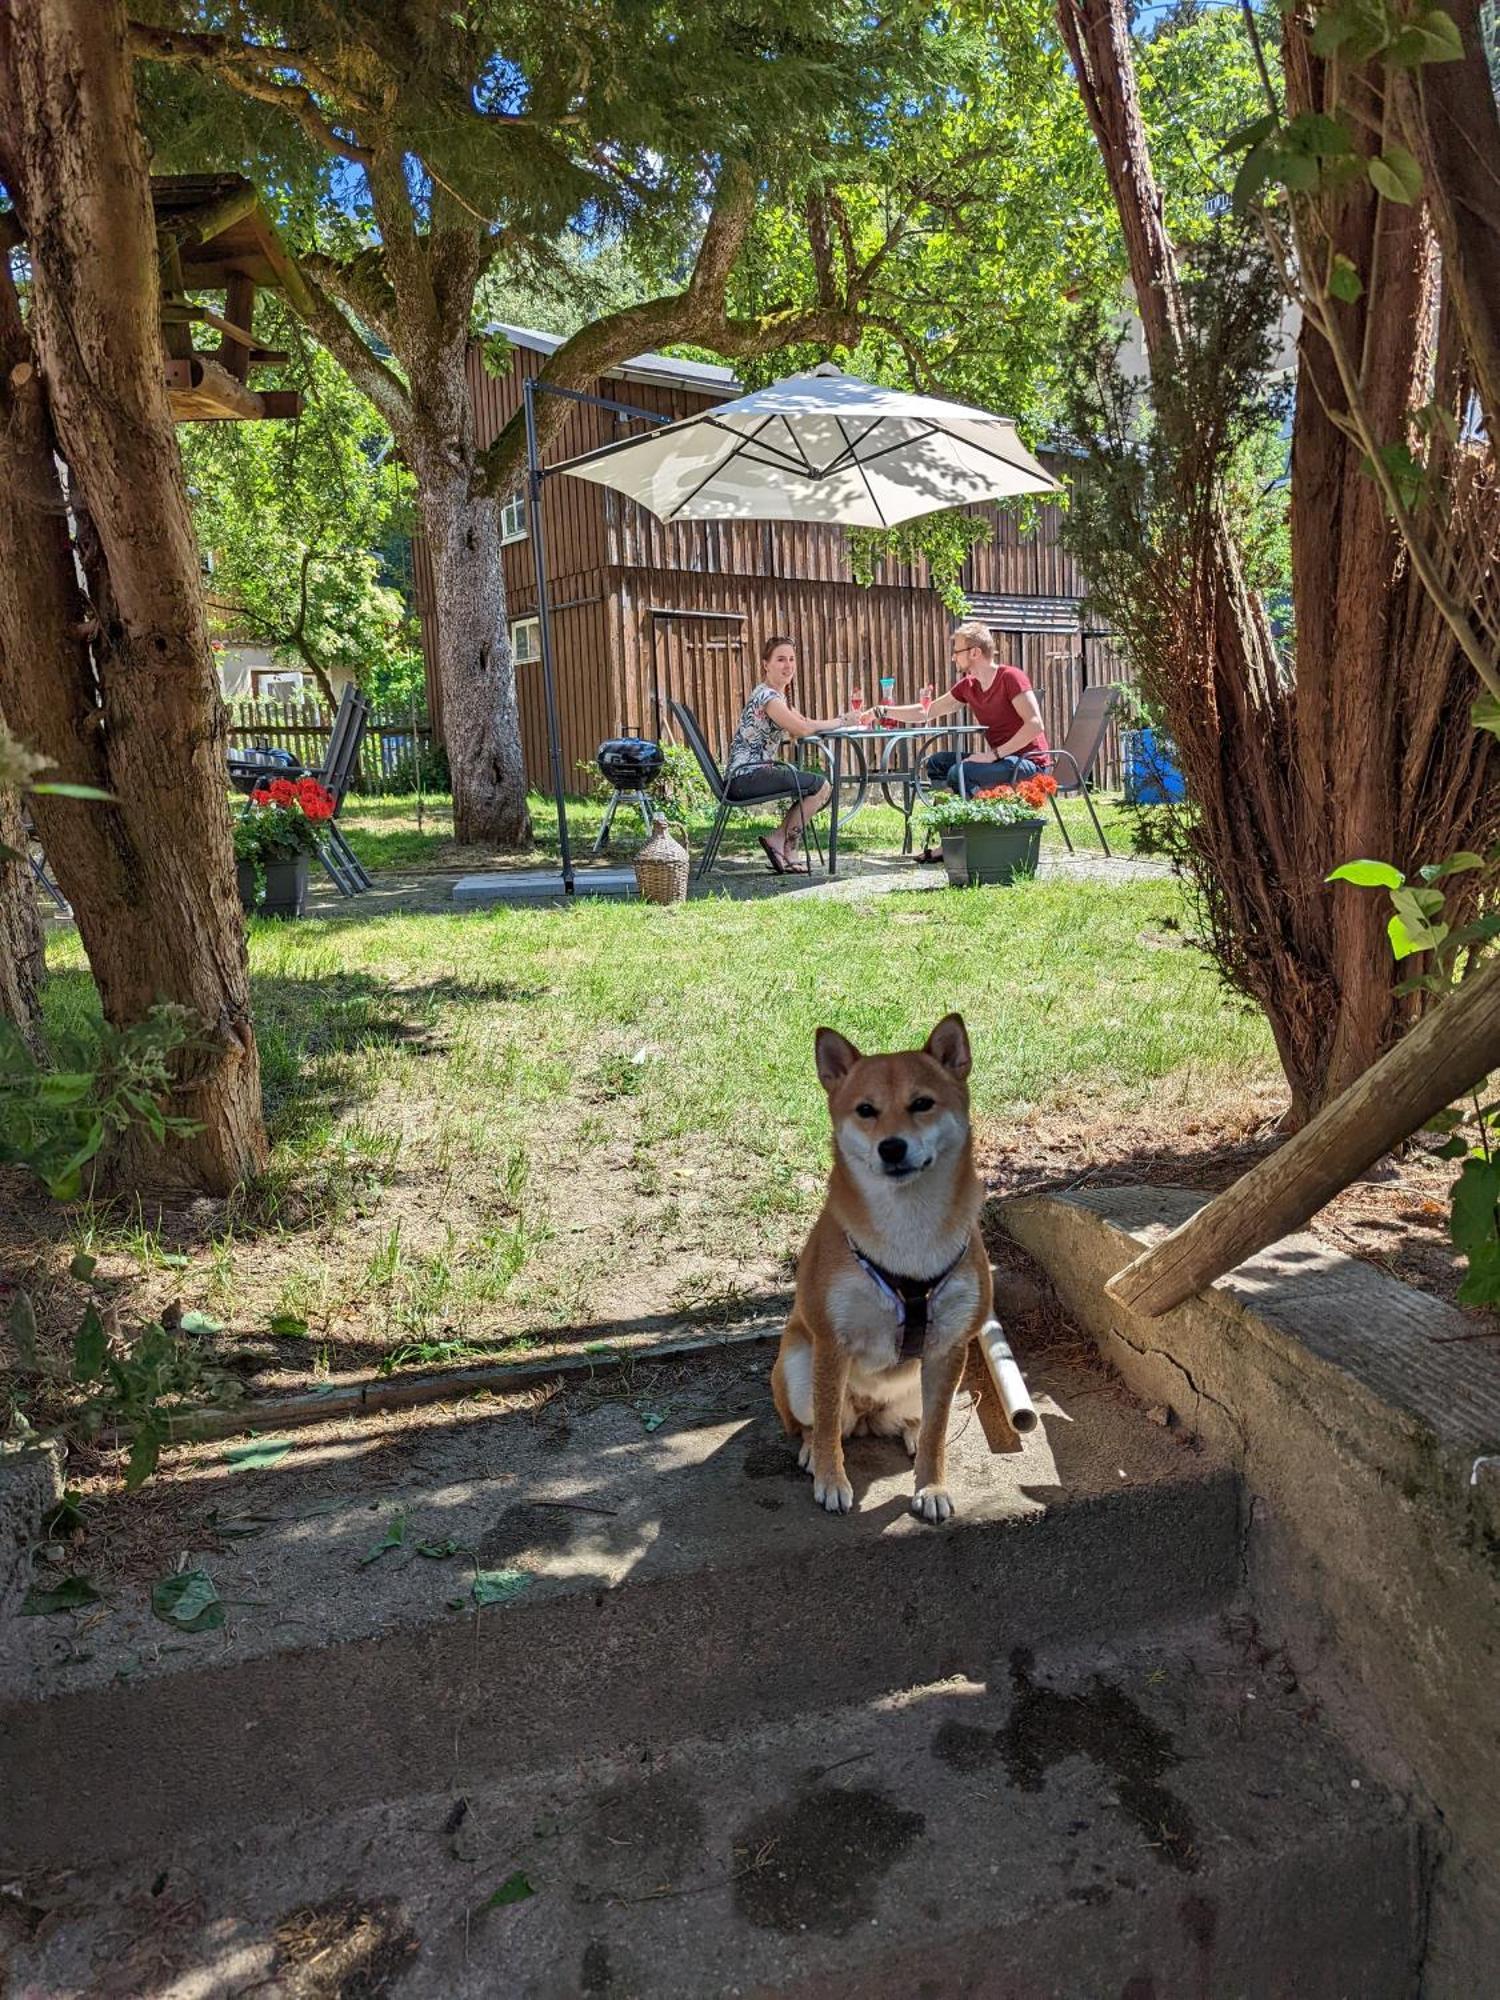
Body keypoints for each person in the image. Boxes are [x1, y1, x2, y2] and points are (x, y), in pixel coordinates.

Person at [876, 621, 1050, 858]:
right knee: (938, 764)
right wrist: (882, 711)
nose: (953, 658)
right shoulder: (969, 686)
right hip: (1001, 760)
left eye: (957, 651)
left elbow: (1035, 724)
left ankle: (972, 841)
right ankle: (952, 837)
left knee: (961, 772)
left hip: (1029, 763)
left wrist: (993, 755)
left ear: (975, 652)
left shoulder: (1010, 677)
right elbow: (926, 711)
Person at [724, 637, 846, 874]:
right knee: (820, 786)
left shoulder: (776, 696)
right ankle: (786, 845)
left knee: (819, 787)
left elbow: (804, 722)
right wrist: (840, 721)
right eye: (780, 659)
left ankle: (781, 841)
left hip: (749, 775)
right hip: (745, 777)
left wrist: (841, 721)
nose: (788, 665)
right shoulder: (767, 698)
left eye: (791, 659)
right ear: (765, 665)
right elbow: (800, 730)